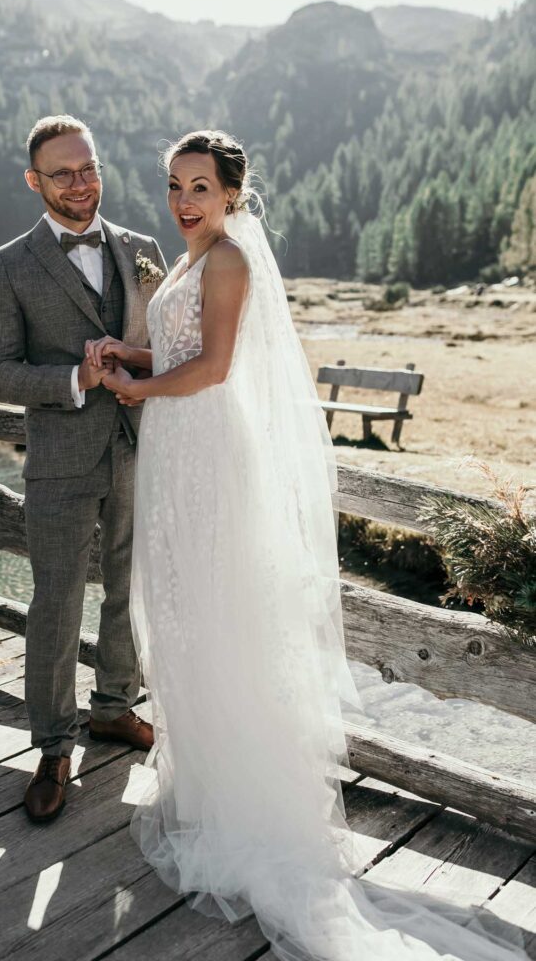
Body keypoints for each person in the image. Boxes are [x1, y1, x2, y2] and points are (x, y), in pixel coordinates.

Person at [87, 130, 528, 960]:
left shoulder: (228, 261)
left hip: (207, 449)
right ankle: (206, 793)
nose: (184, 201)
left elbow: (215, 368)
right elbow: (182, 350)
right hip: (176, 450)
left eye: (200, 187)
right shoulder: (191, 260)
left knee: (218, 621)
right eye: (175, 185)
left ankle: (243, 813)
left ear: (232, 194)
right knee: (187, 620)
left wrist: (135, 388)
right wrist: (130, 354)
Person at [0, 115, 167, 824]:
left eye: (89, 168)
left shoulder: (144, 250)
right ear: (35, 181)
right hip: (59, 460)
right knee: (56, 603)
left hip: (139, 448)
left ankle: (114, 707)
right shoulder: (8, 265)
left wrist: (139, 373)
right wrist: (75, 380)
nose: (81, 183)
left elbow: (165, 344)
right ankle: (54, 746)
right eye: (63, 173)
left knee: (129, 588)